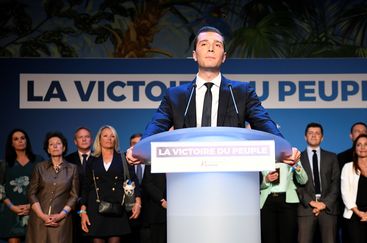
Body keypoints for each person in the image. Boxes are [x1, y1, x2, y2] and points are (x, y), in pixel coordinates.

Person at [126, 25, 300, 167]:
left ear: (224, 57)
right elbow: (157, 125)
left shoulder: (241, 91)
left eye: (217, 45)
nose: (210, 48)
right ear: (194, 55)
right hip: (186, 175)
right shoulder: (175, 95)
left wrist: (285, 148)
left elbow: (263, 122)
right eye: (204, 44)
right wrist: (139, 149)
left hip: (233, 176)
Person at [80, 125, 141, 243]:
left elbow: (134, 182)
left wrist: (138, 203)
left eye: (112, 136)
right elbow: (86, 187)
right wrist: (83, 211)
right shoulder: (92, 160)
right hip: (96, 209)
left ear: (116, 139)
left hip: (117, 208)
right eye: (105, 136)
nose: (109, 138)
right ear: (99, 139)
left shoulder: (123, 158)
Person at [26, 131, 79, 243]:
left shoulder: (72, 169)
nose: (55, 146)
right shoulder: (39, 167)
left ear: (63, 148)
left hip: (61, 220)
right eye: (51, 144)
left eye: (58, 143)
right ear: (48, 149)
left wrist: (60, 215)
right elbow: (31, 193)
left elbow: (74, 196)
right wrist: (42, 215)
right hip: (39, 219)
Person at [297, 123, 340, 243]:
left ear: (322, 137)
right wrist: (311, 202)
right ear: (305, 137)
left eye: (317, 133)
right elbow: (296, 184)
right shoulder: (297, 158)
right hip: (306, 208)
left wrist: (324, 204)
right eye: (310, 133)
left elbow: (336, 182)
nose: (314, 136)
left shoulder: (332, 157)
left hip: (328, 209)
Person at [0, 129, 43, 243]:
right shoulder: (4, 164)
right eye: (16, 139)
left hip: (34, 211)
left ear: (27, 141)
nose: (20, 141)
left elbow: (44, 186)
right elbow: (0, 188)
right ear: (11, 143)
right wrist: (12, 207)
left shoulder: (38, 161)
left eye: (22, 138)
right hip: (11, 212)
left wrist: (31, 206)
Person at [260, 156, 307, 243]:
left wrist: (295, 164)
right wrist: (266, 179)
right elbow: (256, 183)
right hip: (267, 200)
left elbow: (303, 180)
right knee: (268, 238)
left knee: (288, 238)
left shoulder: (291, 156)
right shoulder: (262, 156)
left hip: (288, 201)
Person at [65, 126, 93, 243]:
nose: (84, 139)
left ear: (91, 140)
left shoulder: (100, 157)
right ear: (75, 141)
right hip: (74, 208)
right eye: (80, 137)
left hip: (95, 206)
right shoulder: (67, 160)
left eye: (87, 137)